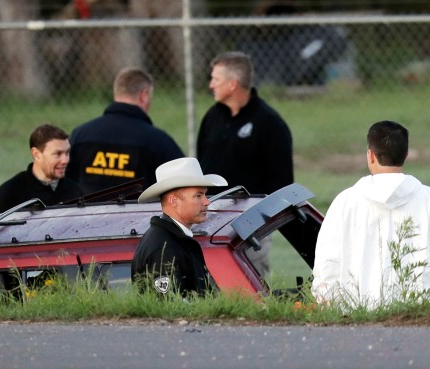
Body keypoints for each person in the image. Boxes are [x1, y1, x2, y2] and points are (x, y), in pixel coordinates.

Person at [311, 120, 430, 308]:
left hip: (354, 321)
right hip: (423, 320)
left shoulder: (344, 203)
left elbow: (327, 268)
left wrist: (330, 312)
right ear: (406, 155)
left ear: (370, 155)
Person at [196, 51, 294, 278]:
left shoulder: (269, 123)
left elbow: (282, 184)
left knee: (249, 281)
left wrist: (261, 223)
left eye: (216, 80)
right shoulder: (212, 118)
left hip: (250, 222)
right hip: (210, 217)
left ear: (232, 84)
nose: (211, 85)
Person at [66, 67, 184, 194]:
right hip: (140, 213)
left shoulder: (80, 135)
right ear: (144, 95)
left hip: (87, 213)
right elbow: (183, 182)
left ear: (116, 92)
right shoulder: (158, 141)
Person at [131, 157, 227, 298]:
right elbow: (170, 308)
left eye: (205, 194)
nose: (207, 202)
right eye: (198, 195)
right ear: (173, 201)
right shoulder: (164, 248)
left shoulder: (172, 239)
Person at [0, 124, 83, 215]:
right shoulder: (9, 194)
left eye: (67, 153)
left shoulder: (75, 191)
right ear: (36, 154)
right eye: (58, 154)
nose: (65, 160)